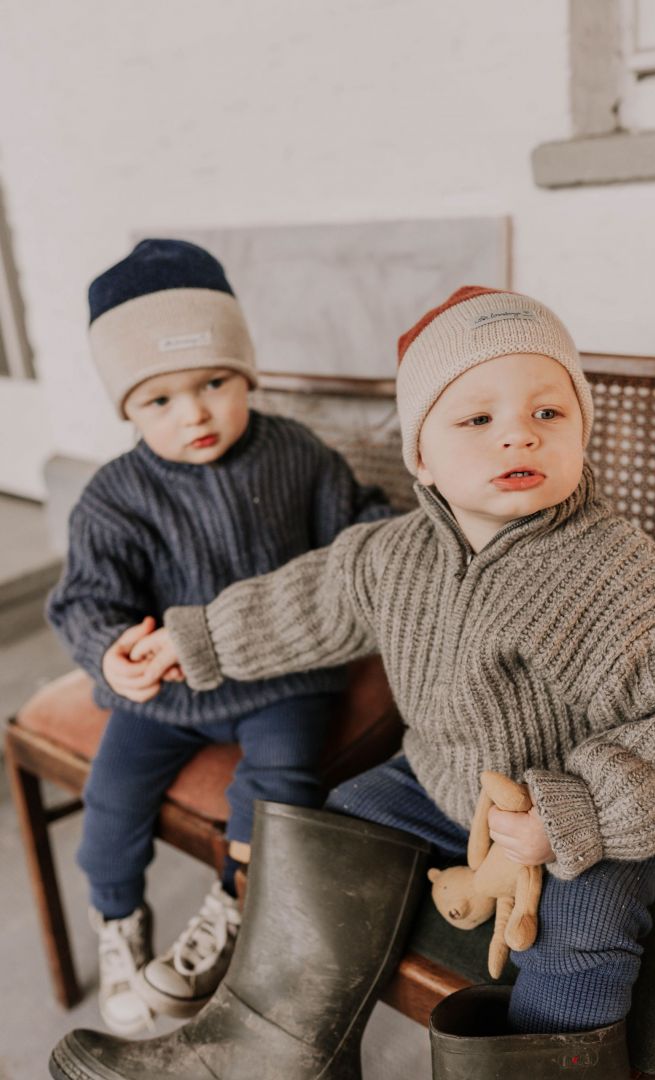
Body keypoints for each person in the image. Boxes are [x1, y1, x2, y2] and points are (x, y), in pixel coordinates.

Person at [49, 286, 655, 1080]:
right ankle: (265, 1048)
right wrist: (190, 639)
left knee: (583, 933)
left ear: (581, 432)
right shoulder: (392, 553)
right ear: (421, 456)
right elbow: (299, 604)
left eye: (549, 414)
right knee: (330, 831)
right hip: (438, 779)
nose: (516, 435)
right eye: (476, 419)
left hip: (584, 815)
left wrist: (570, 813)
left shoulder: (619, 576)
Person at [46, 238, 392, 1036]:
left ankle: (236, 904)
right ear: (126, 410)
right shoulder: (114, 496)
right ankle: (117, 920)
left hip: (283, 673)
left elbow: (358, 526)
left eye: (213, 382)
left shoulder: (298, 454)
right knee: (110, 798)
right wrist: (109, 653)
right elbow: (86, 598)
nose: (194, 412)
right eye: (158, 400)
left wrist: (391, 535)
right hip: (173, 689)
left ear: (247, 375)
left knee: (282, 781)